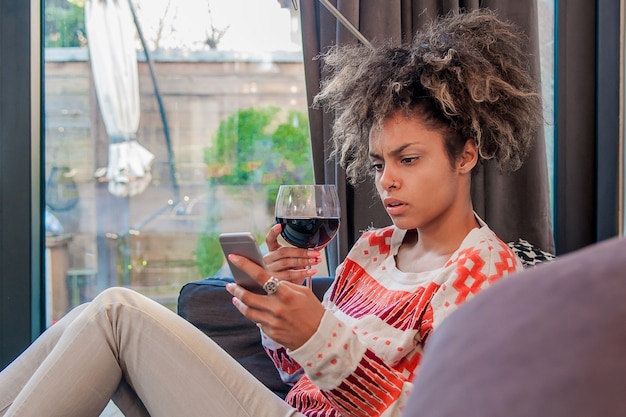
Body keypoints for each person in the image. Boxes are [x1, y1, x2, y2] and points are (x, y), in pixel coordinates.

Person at [0, 9, 542, 417]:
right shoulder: (373, 249)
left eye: (409, 159)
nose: (387, 180)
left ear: (466, 153)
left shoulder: (486, 274)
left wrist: (318, 334)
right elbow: (298, 372)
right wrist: (285, 315)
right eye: (377, 163)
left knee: (117, 312)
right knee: (99, 316)